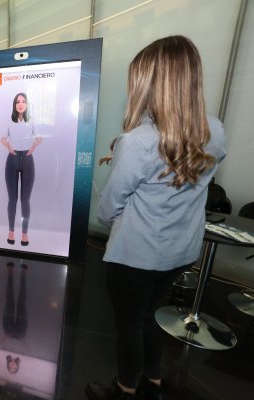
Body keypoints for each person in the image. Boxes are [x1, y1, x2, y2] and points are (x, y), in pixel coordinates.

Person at [85, 36, 226, 400]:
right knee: (148, 316)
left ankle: (125, 390)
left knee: (130, 324)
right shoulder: (216, 131)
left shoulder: (138, 141)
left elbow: (108, 208)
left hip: (136, 255)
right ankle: (155, 381)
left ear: (151, 82)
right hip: (179, 252)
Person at [0, 92, 43, 246]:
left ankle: (24, 234)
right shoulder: (9, 120)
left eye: (23, 101)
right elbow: (2, 137)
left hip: (27, 159)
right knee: (12, 199)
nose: (20, 104)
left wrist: (33, 147)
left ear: (26, 104)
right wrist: (8, 146)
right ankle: (11, 231)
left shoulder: (31, 120)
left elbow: (40, 137)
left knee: (25, 200)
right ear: (14, 104)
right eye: (18, 101)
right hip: (11, 159)